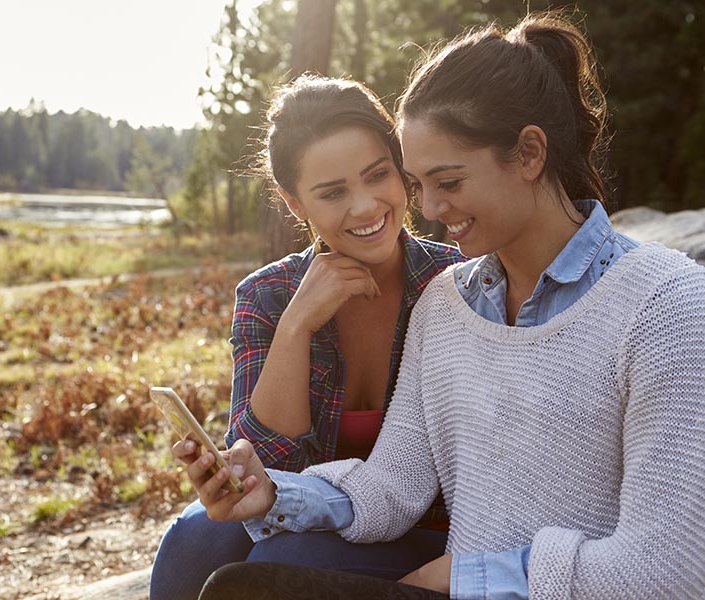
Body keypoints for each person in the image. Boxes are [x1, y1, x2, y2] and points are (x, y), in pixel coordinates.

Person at [182, 12, 705, 600]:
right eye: (418, 182)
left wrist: (466, 576)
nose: (427, 208)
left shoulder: (667, 305)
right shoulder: (445, 303)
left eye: (448, 182)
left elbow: (670, 570)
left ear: (530, 153)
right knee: (232, 579)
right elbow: (392, 486)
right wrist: (276, 494)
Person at [149, 75, 463, 600]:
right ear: (296, 204)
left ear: (400, 168)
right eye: (333, 192)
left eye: (377, 175)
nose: (364, 207)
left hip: (424, 529)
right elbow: (266, 477)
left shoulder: (455, 281)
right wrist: (296, 325)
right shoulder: (268, 295)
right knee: (193, 543)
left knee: (283, 561)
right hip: (304, 506)